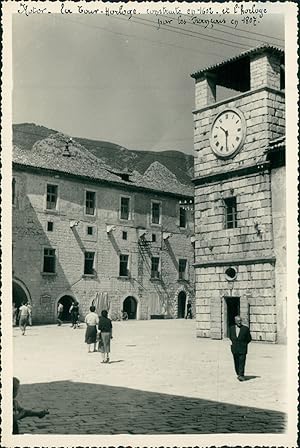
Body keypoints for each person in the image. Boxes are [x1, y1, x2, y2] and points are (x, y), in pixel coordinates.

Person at [229, 315, 252, 381]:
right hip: (235, 348)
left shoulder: (245, 329)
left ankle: (241, 375)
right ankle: (238, 373)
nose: (239, 322)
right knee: (236, 362)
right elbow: (231, 337)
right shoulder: (231, 328)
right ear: (235, 321)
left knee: (242, 362)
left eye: (240, 321)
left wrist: (244, 344)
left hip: (243, 348)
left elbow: (249, 338)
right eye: (238, 321)